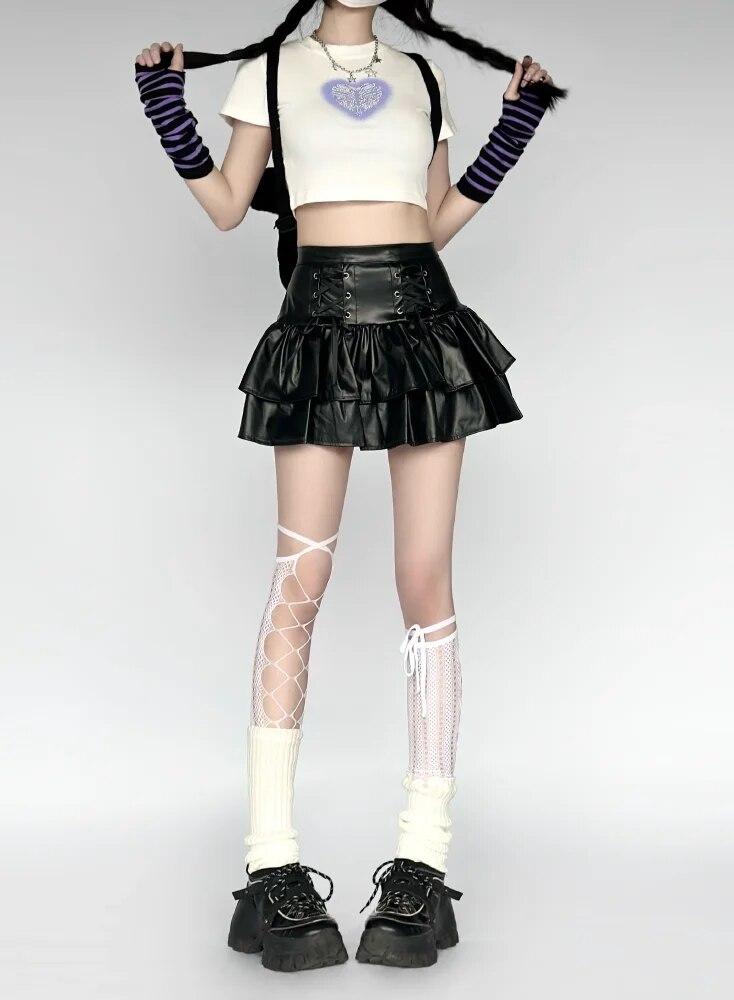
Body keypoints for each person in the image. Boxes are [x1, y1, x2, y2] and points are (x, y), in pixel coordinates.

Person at [134, 0, 565, 974]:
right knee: (302, 579)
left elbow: (434, 220)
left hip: (425, 322)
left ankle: (423, 861)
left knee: (425, 582)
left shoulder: (421, 74)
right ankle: (270, 864)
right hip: (317, 326)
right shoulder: (269, 72)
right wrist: (166, 107)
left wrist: (514, 131)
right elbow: (228, 203)